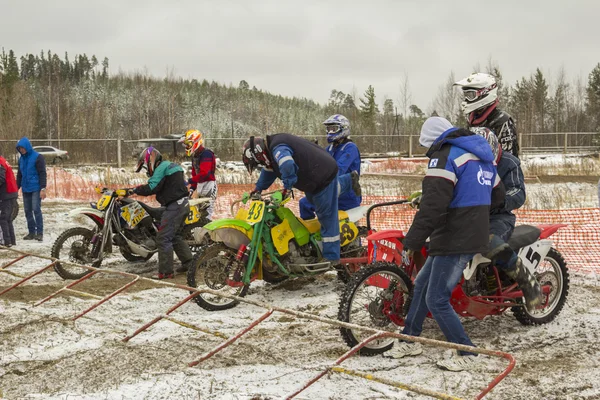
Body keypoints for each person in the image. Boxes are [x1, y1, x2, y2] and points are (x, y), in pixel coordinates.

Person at [387, 117, 505, 372]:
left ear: (432, 141)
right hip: (464, 232)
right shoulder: (481, 154)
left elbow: (433, 205)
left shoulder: (444, 155)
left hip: (455, 235)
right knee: (421, 286)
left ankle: (467, 351)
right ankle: (411, 338)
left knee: (437, 298)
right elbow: (498, 194)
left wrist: (413, 241)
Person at [242, 133, 361, 263]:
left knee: (325, 215)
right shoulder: (271, 150)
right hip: (313, 176)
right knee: (311, 200)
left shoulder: (278, 149)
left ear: (260, 154)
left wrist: (287, 188)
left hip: (322, 175)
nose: (260, 165)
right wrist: (258, 188)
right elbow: (269, 170)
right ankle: (349, 180)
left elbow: (287, 165)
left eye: (258, 163)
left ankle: (331, 257)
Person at [471, 127, 542, 310]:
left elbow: (518, 192)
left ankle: (527, 281)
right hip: (471, 215)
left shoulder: (510, 163)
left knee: (490, 241)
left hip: (499, 216)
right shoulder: (468, 162)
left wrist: (499, 200)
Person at [131, 147, 193, 279]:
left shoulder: (162, 168)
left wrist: (132, 191)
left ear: (150, 160)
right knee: (174, 236)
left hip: (175, 206)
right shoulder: (169, 166)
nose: (147, 170)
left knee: (163, 237)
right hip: (181, 204)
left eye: (146, 167)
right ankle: (189, 263)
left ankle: (166, 272)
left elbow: (152, 187)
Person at [299, 114, 361, 220]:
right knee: (304, 203)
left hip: (346, 194)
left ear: (343, 129)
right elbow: (320, 164)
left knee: (345, 230)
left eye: (333, 129)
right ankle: (311, 232)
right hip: (330, 191)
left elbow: (338, 169)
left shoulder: (350, 148)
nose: (330, 132)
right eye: (328, 129)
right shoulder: (330, 148)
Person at [454, 72, 520, 158]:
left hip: (497, 168)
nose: (467, 99)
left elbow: (510, 157)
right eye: (466, 95)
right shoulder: (472, 119)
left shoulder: (502, 120)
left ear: (485, 92)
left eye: (471, 95)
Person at [179, 129, 217, 219]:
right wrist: (192, 187)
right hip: (200, 184)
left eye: (188, 144)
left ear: (195, 142)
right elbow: (195, 173)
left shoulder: (206, 154)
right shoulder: (195, 155)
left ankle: (207, 232)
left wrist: (190, 181)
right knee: (196, 211)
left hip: (209, 185)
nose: (187, 146)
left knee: (206, 213)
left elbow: (205, 174)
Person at [16, 137, 47, 241]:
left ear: (27, 147)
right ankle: (31, 232)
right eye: (20, 149)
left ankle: (40, 232)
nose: (21, 150)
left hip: (36, 188)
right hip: (25, 188)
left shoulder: (38, 157)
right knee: (27, 211)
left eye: (23, 148)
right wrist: (16, 187)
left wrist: (43, 188)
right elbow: (19, 175)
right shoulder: (21, 159)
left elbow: (42, 173)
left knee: (36, 209)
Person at [0, 151, 18, 247]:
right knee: (8, 219)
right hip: (11, 192)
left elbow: (1, 178)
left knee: (3, 218)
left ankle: (6, 241)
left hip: (6, 193)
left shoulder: (0, 162)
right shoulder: (3, 160)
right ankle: (11, 240)